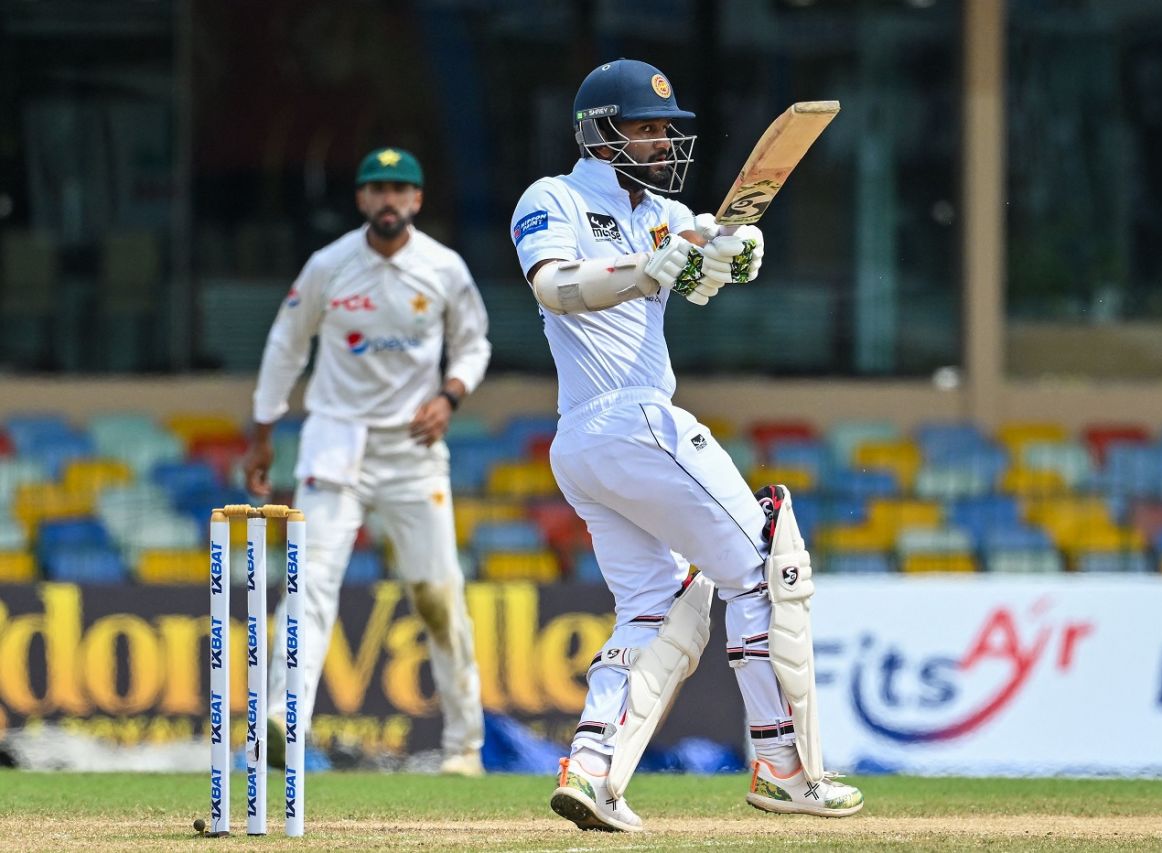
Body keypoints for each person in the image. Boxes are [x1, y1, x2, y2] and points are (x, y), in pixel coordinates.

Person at [509, 59, 862, 831]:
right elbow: (554, 286)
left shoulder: (664, 212)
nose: (664, 139)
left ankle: (594, 771)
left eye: (669, 128)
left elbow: (709, 247)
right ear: (601, 132)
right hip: (624, 421)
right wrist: (644, 269)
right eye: (646, 126)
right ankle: (782, 764)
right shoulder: (554, 197)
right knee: (768, 570)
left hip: (594, 450)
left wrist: (734, 253)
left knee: (660, 607)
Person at [243, 147, 491, 777]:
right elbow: (285, 343)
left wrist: (449, 396)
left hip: (412, 451)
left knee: (439, 597)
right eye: (377, 189)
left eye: (399, 190)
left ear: (417, 200)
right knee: (310, 584)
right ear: (360, 200)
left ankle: (465, 747)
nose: (388, 200)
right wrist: (264, 430)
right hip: (336, 441)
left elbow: (474, 344)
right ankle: (281, 722)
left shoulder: (443, 268)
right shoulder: (329, 266)